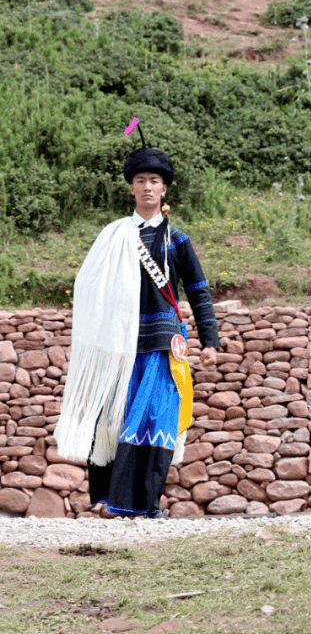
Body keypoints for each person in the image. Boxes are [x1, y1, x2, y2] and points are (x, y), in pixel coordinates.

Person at [55, 119, 219, 518]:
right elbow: (89, 285)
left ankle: (144, 503)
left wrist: (209, 339)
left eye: (155, 181)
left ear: (165, 189)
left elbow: (197, 290)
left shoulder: (177, 239)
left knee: (157, 417)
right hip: (121, 342)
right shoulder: (113, 236)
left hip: (164, 341)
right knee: (117, 417)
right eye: (141, 179)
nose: (148, 186)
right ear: (131, 187)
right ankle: (111, 499)